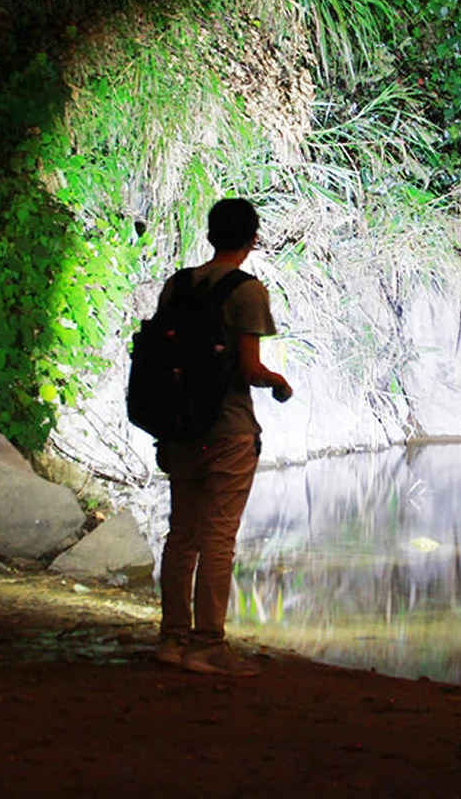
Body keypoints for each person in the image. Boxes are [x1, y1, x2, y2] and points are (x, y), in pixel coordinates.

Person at [155, 197, 292, 676]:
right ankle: (208, 644)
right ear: (252, 239)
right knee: (217, 538)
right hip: (228, 431)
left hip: (179, 429)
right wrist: (279, 382)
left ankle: (172, 638)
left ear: (211, 234)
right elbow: (250, 369)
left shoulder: (178, 285)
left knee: (182, 534)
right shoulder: (247, 291)